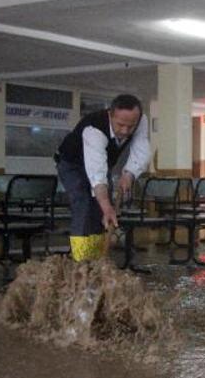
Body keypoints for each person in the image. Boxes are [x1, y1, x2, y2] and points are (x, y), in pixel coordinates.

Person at [55, 94, 151, 261]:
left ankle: (97, 258)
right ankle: (81, 262)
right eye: (120, 125)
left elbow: (141, 147)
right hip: (71, 164)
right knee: (84, 201)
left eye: (130, 126)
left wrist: (129, 173)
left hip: (103, 162)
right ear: (110, 115)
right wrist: (107, 206)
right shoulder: (94, 129)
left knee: (99, 210)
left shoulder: (141, 120)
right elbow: (97, 172)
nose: (125, 131)